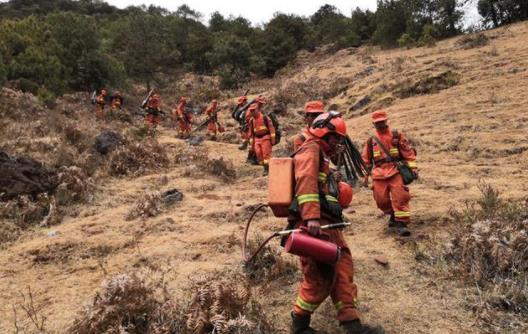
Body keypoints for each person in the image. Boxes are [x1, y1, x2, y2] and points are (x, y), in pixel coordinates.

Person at [290, 112, 384, 334]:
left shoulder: (321, 153)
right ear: (325, 132)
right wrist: (311, 217)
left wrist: (334, 173)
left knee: (342, 269)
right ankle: (299, 322)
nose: (338, 143)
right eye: (336, 138)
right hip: (314, 223)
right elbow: (306, 182)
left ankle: (351, 324)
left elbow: (321, 180)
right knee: (321, 275)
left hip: (328, 222)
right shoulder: (311, 149)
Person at [361, 110, 417, 236]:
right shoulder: (371, 140)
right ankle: (392, 214)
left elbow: (408, 153)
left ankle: (402, 223)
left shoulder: (397, 135)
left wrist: (413, 168)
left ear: (386, 121)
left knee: (400, 197)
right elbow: (366, 160)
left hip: (395, 170)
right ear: (373, 124)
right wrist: (365, 176)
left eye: (382, 122)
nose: (380, 125)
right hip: (378, 174)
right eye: (377, 123)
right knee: (381, 201)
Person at [248, 102, 275, 175]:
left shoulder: (265, 118)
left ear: (257, 110)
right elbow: (251, 133)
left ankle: (266, 169)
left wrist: (272, 140)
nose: (252, 112)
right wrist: (252, 144)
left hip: (265, 138)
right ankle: (265, 167)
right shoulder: (251, 120)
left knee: (266, 154)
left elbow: (271, 128)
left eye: (253, 110)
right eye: (251, 111)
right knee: (258, 153)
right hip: (257, 139)